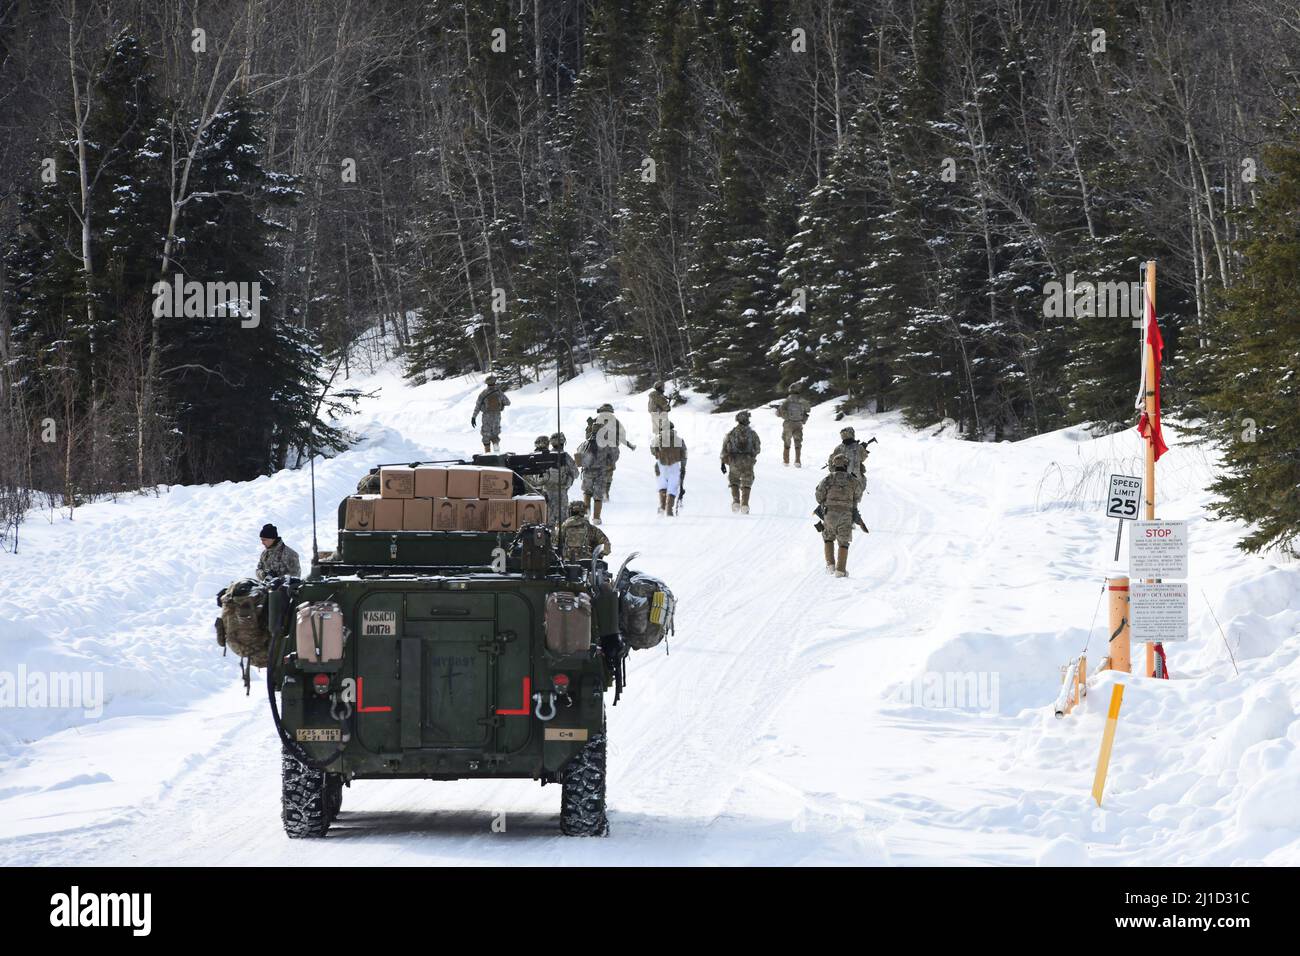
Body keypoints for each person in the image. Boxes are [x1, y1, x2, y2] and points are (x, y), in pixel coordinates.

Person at [579, 403, 636, 523]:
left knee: (587, 492)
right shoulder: (613, 425)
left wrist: (584, 463)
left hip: (589, 468)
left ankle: (586, 514)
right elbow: (616, 452)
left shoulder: (592, 428)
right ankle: (596, 518)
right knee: (598, 494)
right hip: (602, 468)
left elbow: (580, 451)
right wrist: (610, 462)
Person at [815, 453, 865, 577]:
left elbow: (819, 496)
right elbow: (858, 497)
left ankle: (830, 565)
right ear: (846, 465)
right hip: (846, 515)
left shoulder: (828, 479)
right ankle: (840, 570)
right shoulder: (853, 480)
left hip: (829, 514)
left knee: (828, 537)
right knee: (843, 542)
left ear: (834, 464)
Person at [720, 410, 761, 514]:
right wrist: (751, 457)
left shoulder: (731, 433)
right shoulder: (752, 434)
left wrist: (723, 463)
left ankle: (736, 501)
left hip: (734, 460)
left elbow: (724, 448)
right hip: (748, 460)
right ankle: (745, 505)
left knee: (734, 481)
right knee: (747, 482)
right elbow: (757, 449)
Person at [538, 432, 579, 529]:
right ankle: (562, 542)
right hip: (561, 492)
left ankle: (549, 541)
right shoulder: (565, 456)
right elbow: (576, 473)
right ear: (563, 442)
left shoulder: (545, 456)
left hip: (547, 492)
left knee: (548, 520)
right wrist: (569, 479)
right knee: (563, 521)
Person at [651, 419, 687, 516]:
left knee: (662, 486)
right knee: (672, 488)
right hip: (674, 466)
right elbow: (684, 455)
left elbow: (653, 451)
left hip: (661, 466)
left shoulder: (657, 439)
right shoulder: (679, 440)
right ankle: (669, 510)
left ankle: (662, 507)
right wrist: (683, 468)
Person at [827, 426, 871, 502]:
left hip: (839, 480)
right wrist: (863, 448)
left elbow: (831, 462)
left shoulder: (838, 448)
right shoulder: (858, 447)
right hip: (856, 481)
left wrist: (834, 471)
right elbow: (863, 458)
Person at [471, 374, 511, 454]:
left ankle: (488, 455)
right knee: (495, 436)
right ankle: (497, 454)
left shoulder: (483, 393)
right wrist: (501, 405)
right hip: (497, 417)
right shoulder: (499, 393)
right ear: (494, 382)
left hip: (486, 417)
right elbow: (508, 402)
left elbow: (478, 406)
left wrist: (473, 417)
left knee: (486, 436)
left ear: (487, 383)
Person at [774, 383, 812, 467]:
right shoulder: (803, 400)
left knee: (787, 442)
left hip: (788, 424)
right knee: (798, 442)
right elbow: (808, 409)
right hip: (799, 423)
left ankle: (786, 461)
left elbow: (778, 413)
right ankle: (797, 461)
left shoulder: (787, 401)